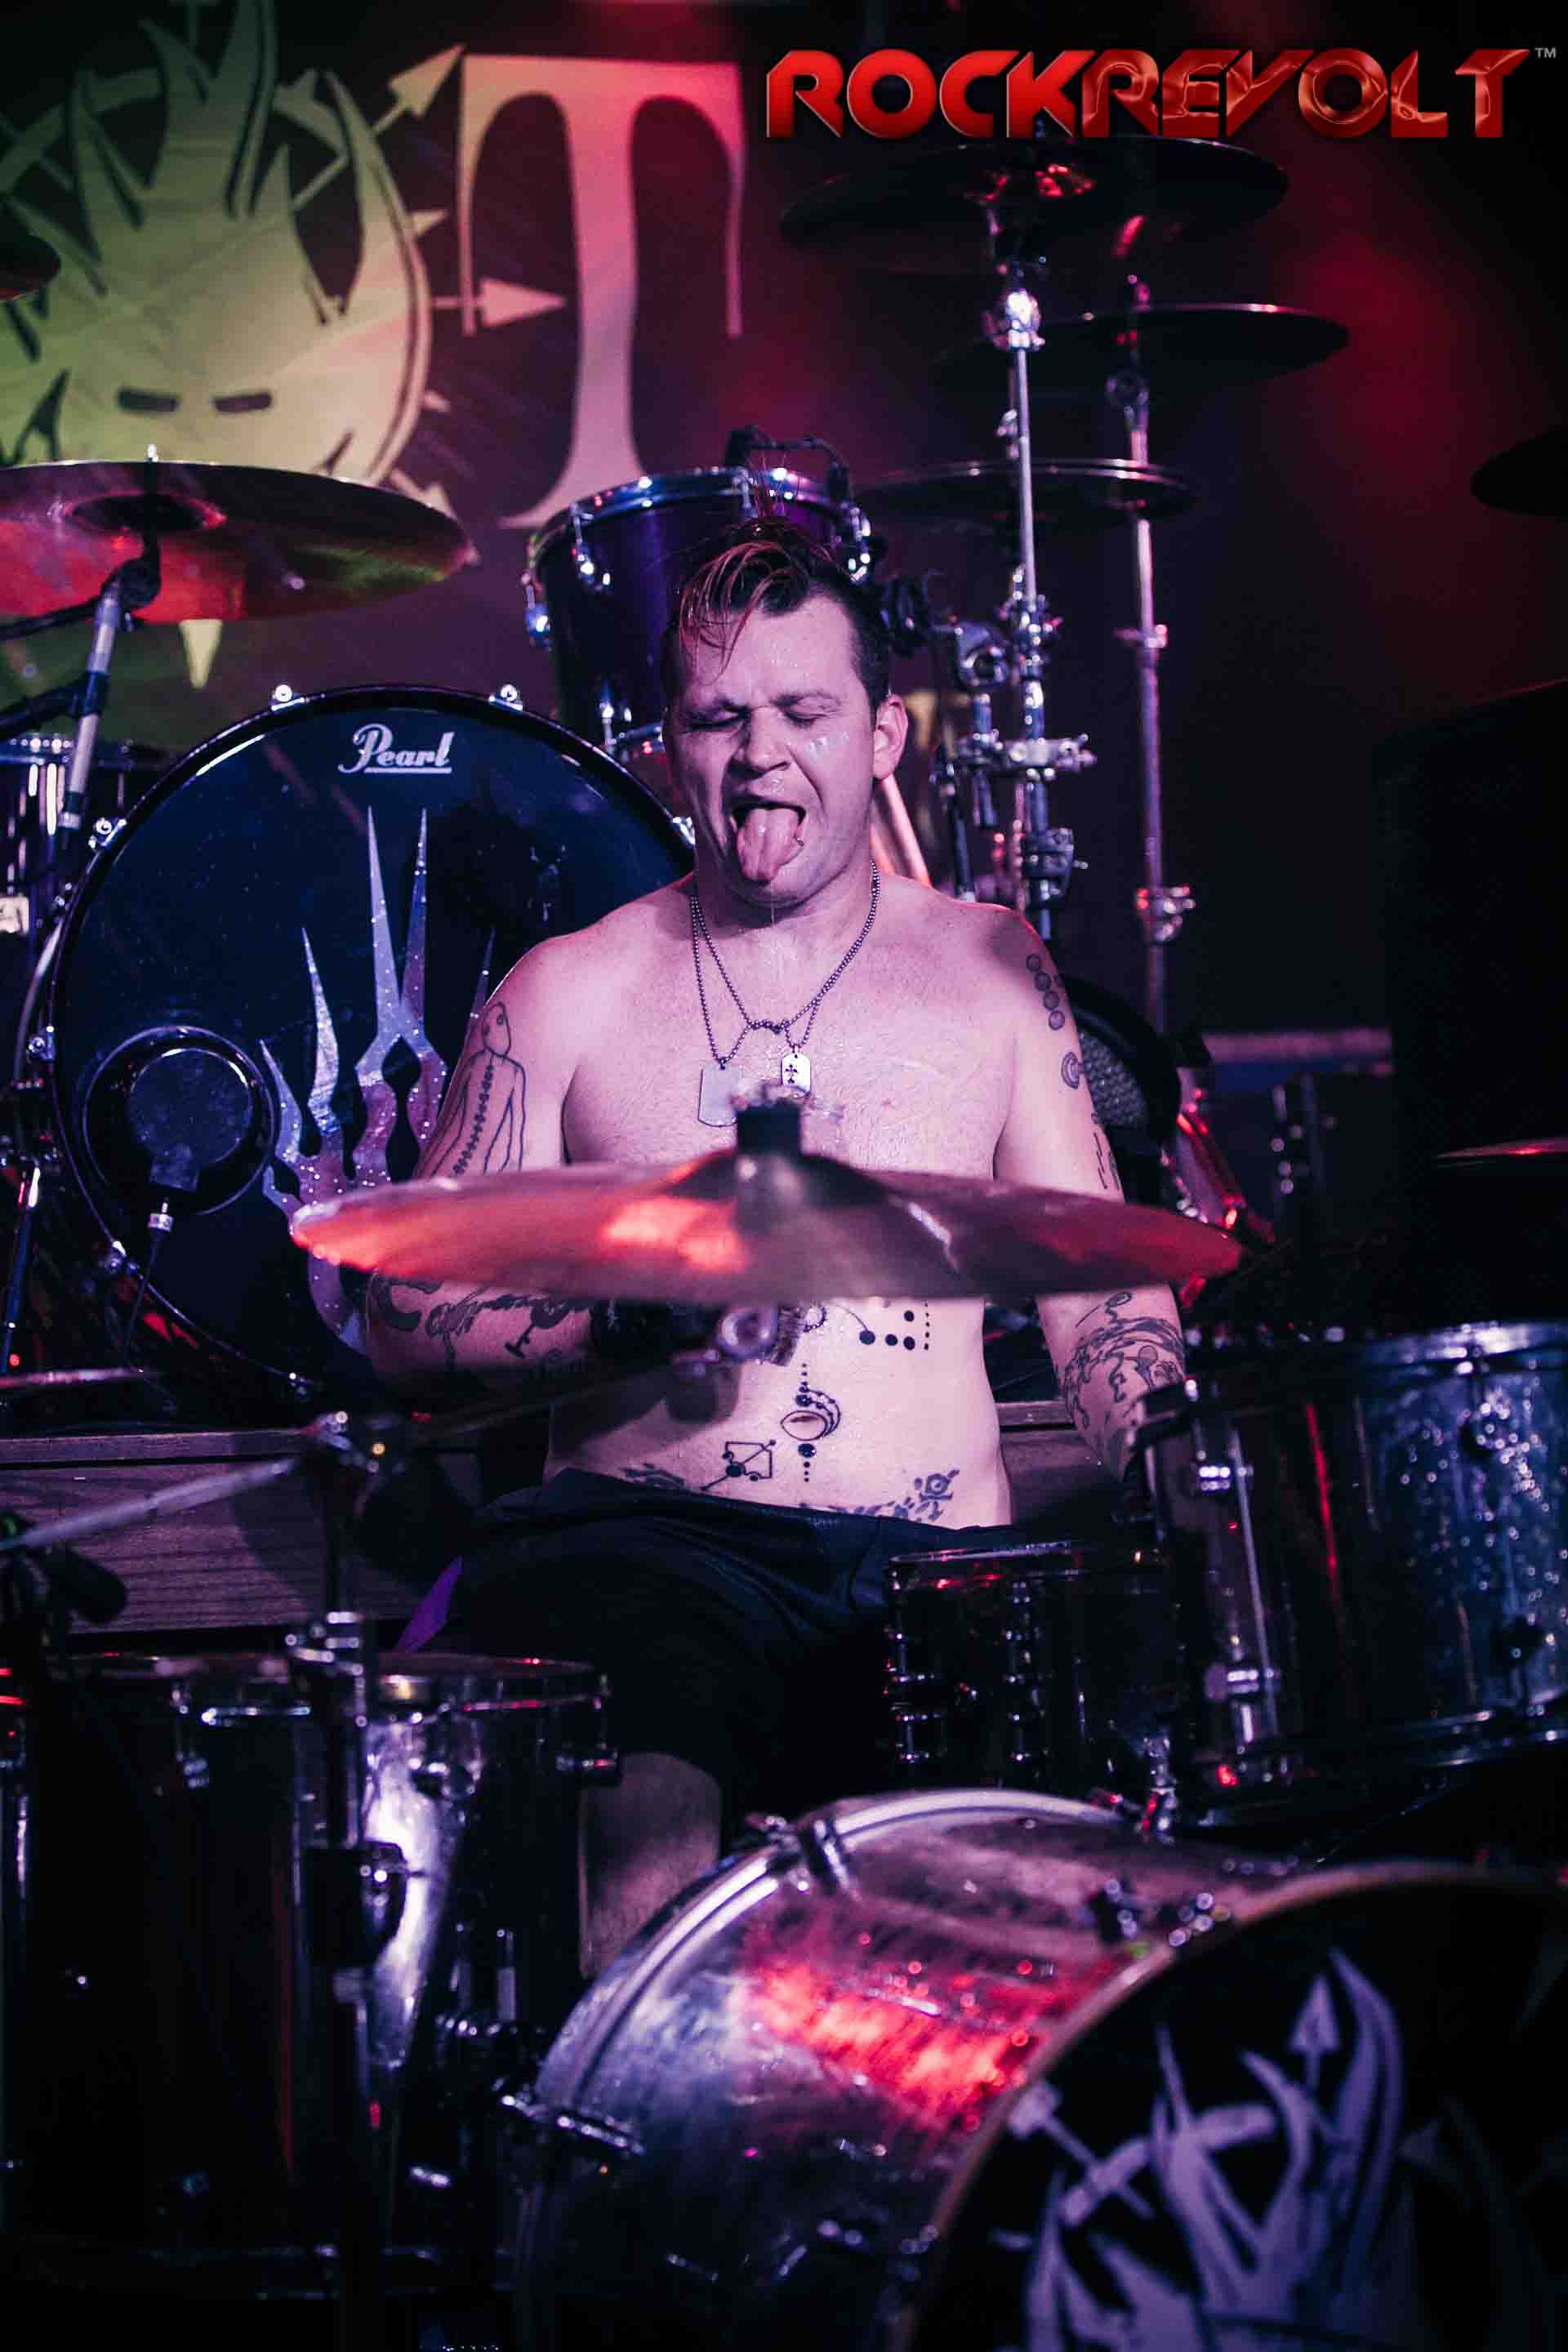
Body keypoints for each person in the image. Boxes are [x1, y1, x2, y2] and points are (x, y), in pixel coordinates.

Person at [368, 524, 1184, 1972]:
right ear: (664, 744)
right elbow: (406, 1313)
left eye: (803, 712)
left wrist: (1172, 1464)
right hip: (655, 1557)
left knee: (1028, 1919)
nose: (760, 756)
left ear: (884, 736)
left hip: (934, 1576)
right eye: (718, 718)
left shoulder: (994, 968)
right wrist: (631, 1320)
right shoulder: (567, 992)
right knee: (650, 1815)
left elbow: (1100, 1287)